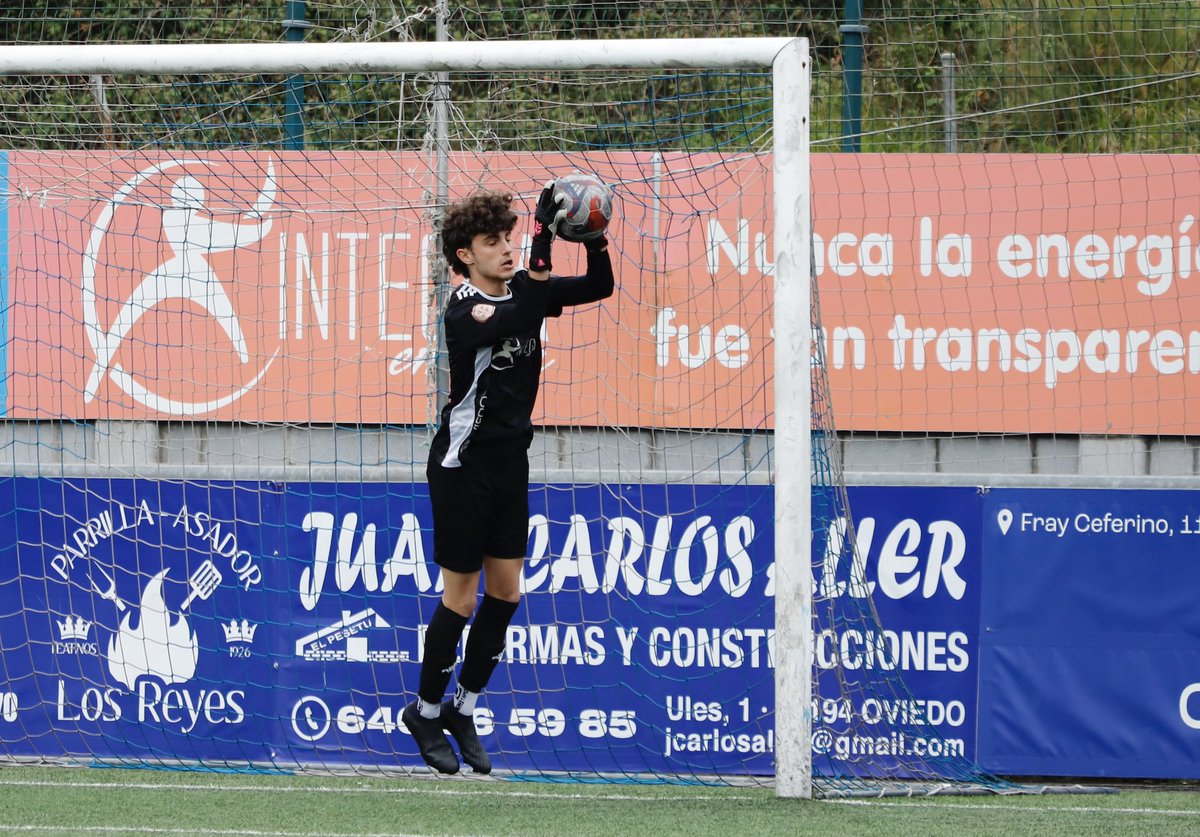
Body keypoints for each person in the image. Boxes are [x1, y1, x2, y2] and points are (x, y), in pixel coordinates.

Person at [403, 182, 614, 774]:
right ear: (464, 255)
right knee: (462, 596)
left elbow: (601, 286)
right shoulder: (465, 309)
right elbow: (520, 312)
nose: (505, 249)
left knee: (506, 593)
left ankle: (462, 710)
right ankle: (423, 710)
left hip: (509, 466)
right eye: (491, 241)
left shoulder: (524, 289)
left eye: (510, 238)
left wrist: (593, 238)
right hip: (462, 467)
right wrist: (546, 239)